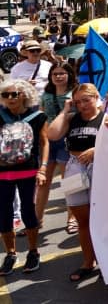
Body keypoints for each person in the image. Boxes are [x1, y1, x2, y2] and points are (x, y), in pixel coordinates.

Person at [47, 83, 108, 283]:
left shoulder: (107, 118)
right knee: (82, 220)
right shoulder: (71, 118)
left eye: (86, 100)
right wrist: (66, 110)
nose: (82, 105)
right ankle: (87, 262)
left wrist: (96, 149)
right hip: (74, 167)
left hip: (100, 169)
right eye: (78, 101)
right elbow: (52, 134)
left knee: (102, 220)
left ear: (96, 97)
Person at [0, 80, 48, 276]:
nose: (10, 98)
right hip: (2, 172)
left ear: (25, 95)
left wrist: (43, 168)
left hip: (28, 171)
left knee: (28, 211)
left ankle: (33, 251)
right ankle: (11, 254)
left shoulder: (38, 117)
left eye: (15, 94)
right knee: (3, 213)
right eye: (6, 95)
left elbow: (45, 143)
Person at [37, 61, 78, 234]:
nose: (59, 76)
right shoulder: (46, 94)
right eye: (55, 74)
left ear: (69, 75)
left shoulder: (75, 93)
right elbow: (41, 114)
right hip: (47, 141)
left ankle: (72, 218)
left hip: (67, 141)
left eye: (62, 73)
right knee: (43, 182)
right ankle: (36, 220)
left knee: (69, 182)